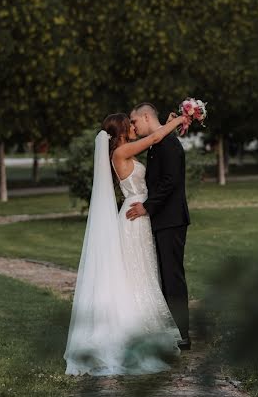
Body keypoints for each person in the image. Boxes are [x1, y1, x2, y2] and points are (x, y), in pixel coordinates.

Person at [64, 111, 188, 376]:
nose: (133, 127)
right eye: (129, 124)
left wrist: (166, 125)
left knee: (141, 272)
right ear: (121, 129)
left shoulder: (126, 152)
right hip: (136, 214)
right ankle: (136, 331)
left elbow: (155, 140)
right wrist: (178, 121)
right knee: (137, 273)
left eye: (134, 122)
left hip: (138, 213)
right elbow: (155, 136)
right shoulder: (121, 153)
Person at [126, 103, 191, 350]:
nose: (133, 126)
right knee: (163, 275)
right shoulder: (159, 142)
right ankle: (171, 329)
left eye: (134, 121)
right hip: (162, 219)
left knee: (173, 276)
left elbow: (169, 182)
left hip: (171, 219)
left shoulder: (168, 144)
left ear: (145, 116)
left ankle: (182, 334)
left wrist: (147, 207)